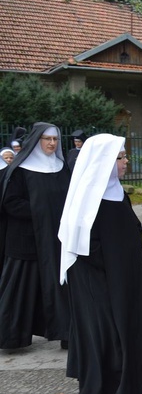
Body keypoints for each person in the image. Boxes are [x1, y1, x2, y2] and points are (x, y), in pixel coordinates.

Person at [58, 134, 142, 394]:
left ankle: (123, 389)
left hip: (124, 277)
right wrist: (111, 268)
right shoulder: (88, 197)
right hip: (100, 280)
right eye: (121, 158)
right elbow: (81, 244)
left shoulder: (116, 192)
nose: (126, 162)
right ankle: (118, 392)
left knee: (125, 329)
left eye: (124, 157)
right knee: (110, 333)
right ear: (103, 162)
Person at [0, 122, 72, 350]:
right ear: (36, 140)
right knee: (21, 288)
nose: (52, 144)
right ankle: (12, 337)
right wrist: (42, 212)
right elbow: (10, 203)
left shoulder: (62, 168)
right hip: (27, 240)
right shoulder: (20, 170)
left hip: (56, 240)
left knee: (61, 286)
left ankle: (66, 333)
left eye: (55, 139)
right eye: (47, 139)